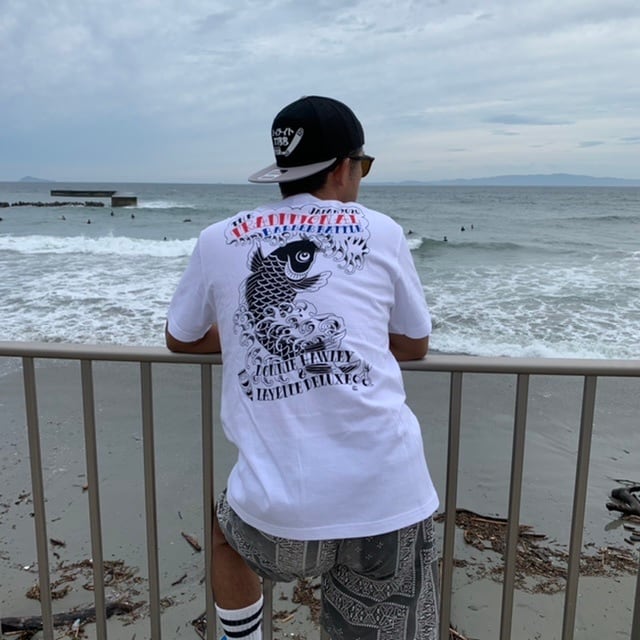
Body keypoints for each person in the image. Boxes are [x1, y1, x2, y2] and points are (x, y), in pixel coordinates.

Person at [165, 95, 440, 640]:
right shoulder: (383, 231)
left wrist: (248, 339)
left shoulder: (218, 238)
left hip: (276, 511)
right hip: (386, 495)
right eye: (362, 165)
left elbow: (181, 336)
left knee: (224, 535)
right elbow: (414, 344)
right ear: (342, 168)